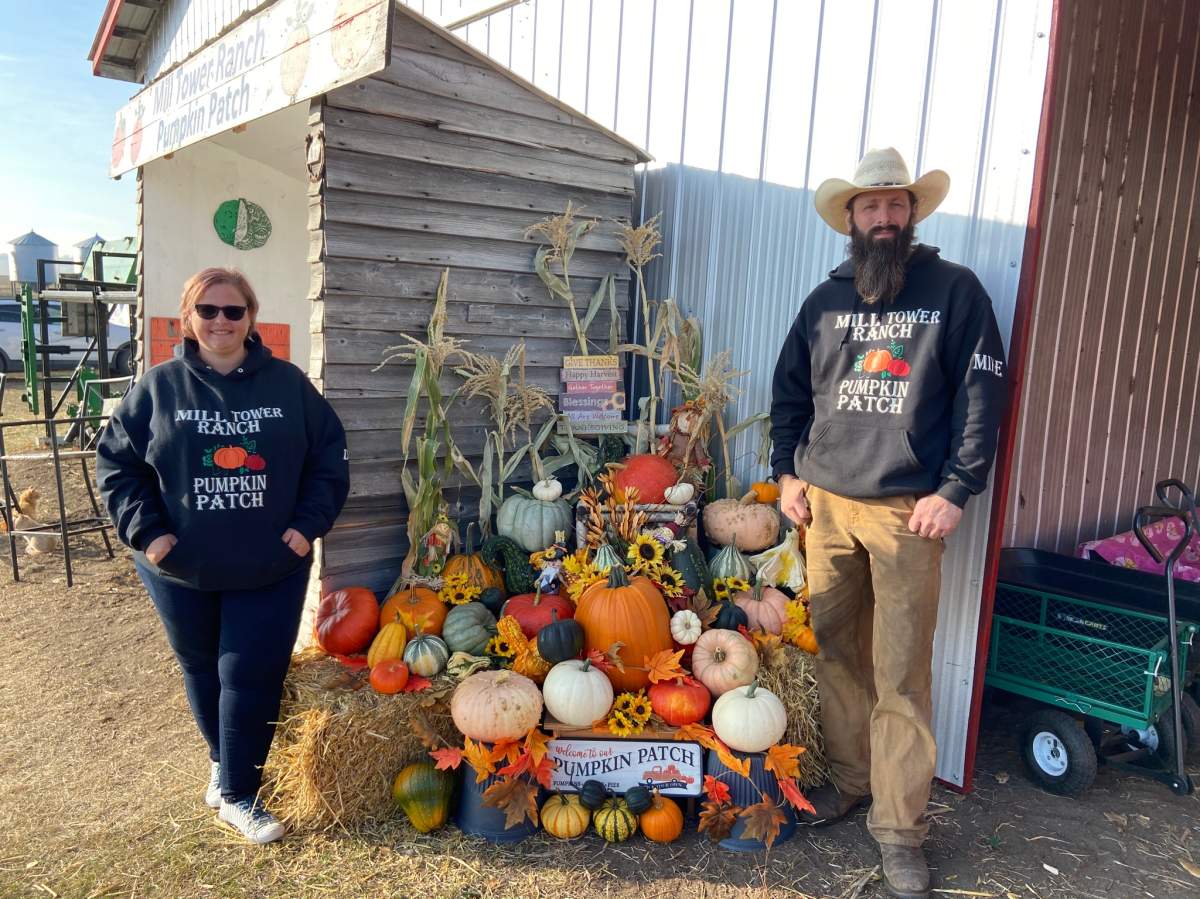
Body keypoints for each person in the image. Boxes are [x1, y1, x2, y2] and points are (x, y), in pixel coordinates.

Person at [770, 148, 1006, 899]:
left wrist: (959, 486)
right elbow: (789, 394)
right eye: (870, 206)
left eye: (895, 205)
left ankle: (901, 831)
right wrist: (787, 474)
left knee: (900, 669)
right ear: (850, 218)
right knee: (837, 647)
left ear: (912, 215)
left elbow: (980, 396)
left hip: (910, 511)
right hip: (826, 509)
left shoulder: (954, 290)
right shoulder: (824, 300)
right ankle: (848, 781)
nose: (883, 217)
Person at [97, 268, 350, 845]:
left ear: (250, 318)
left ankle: (238, 794)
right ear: (188, 319)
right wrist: (150, 532)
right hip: (181, 569)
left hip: (270, 566)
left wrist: (304, 528)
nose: (220, 322)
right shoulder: (157, 388)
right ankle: (224, 764)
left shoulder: (287, 386)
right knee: (201, 668)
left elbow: (329, 461)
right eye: (207, 311)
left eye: (233, 311)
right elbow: (117, 466)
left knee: (248, 674)